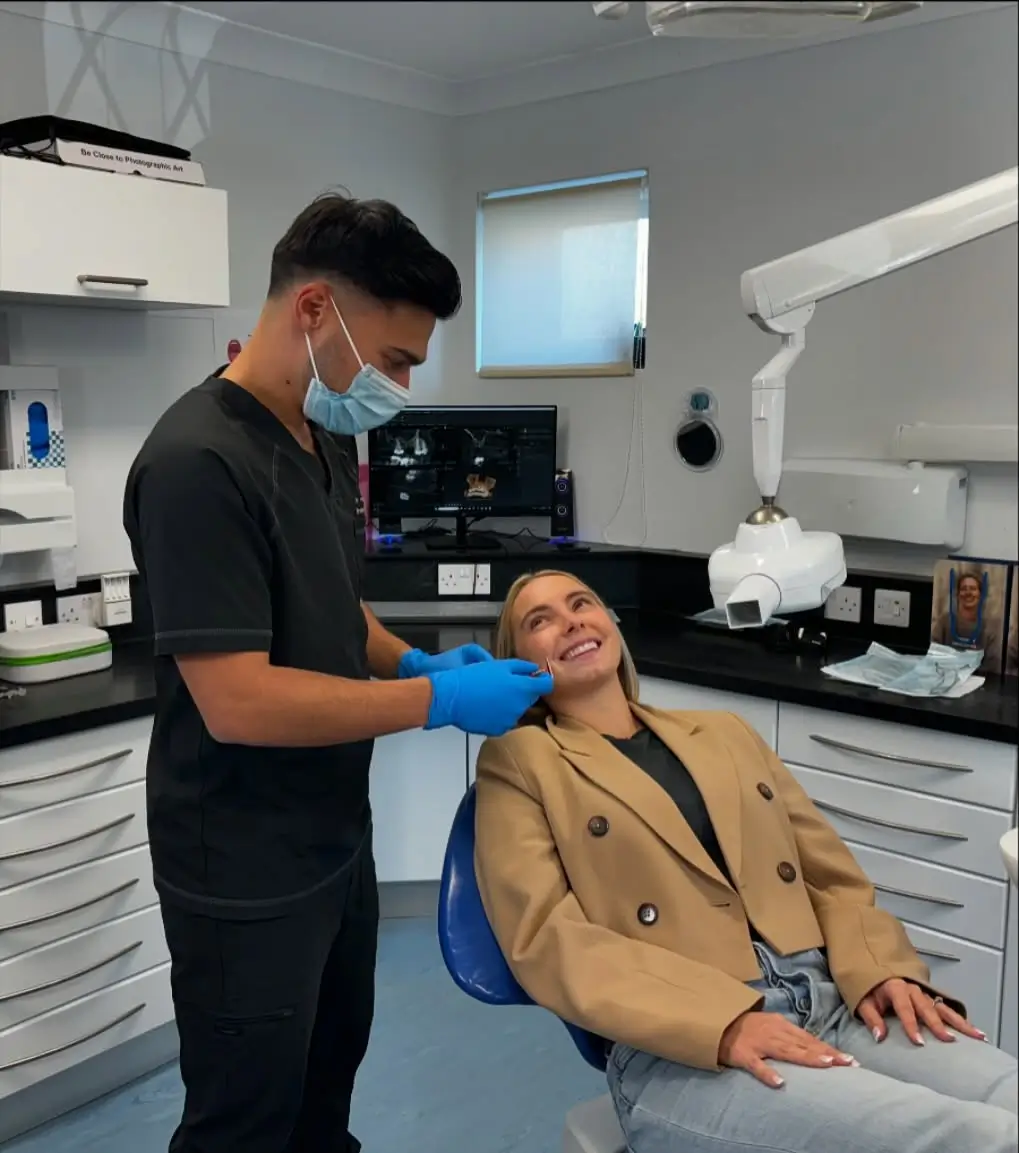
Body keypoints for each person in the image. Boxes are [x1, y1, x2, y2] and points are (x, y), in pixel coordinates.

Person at [122, 194, 552, 1153]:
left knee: (324, 1099)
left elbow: (331, 608)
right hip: (240, 862)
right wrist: (435, 699)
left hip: (330, 840)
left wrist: (413, 658)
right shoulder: (198, 461)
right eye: (395, 358)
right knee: (244, 1124)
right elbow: (236, 701)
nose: (399, 385)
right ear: (314, 309)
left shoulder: (325, 435)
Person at [474, 569, 1018, 1153]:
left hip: (832, 996)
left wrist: (881, 965)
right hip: (684, 1046)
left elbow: (828, 874)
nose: (571, 620)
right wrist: (723, 1022)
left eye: (581, 603)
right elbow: (547, 939)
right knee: (975, 1139)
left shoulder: (723, 733)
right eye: (540, 620)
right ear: (518, 663)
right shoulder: (519, 762)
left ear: (610, 623)